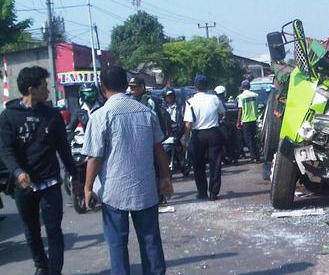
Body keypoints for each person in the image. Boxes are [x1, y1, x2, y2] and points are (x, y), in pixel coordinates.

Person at [82, 66, 173, 275]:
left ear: (102, 87)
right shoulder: (146, 112)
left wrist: (88, 188)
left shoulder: (100, 116)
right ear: (126, 85)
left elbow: (94, 157)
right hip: (145, 189)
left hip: (113, 191)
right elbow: (158, 148)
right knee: (150, 240)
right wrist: (165, 178)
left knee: (117, 244)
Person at [0, 66, 78, 275]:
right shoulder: (8, 116)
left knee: (54, 230)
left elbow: (63, 148)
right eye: (45, 85)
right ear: (31, 89)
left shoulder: (52, 115)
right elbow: (5, 150)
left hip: (50, 183)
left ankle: (54, 271)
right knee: (31, 231)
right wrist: (17, 171)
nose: (49, 90)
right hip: (23, 186)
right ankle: (41, 267)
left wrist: (75, 175)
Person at [183, 75, 225, 201]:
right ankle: (213, 193)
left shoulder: (190, 101)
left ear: (195, 86)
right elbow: (222, 112)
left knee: (198, 164)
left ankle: (202, 192)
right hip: (213, 133)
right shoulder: (214, 99)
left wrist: (186, 139)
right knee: (215, 163)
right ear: (207, 86)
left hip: (198, 135)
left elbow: (188, 123)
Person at [237, 80, 268, 179]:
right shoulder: (256, 95)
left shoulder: (241, 97)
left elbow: (240, 109)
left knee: (248, 140)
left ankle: (253, 157)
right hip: (254, 119)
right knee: (254, 138)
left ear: (242, 87)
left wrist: (238, 121)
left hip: (246, 120)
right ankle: (258, 156)